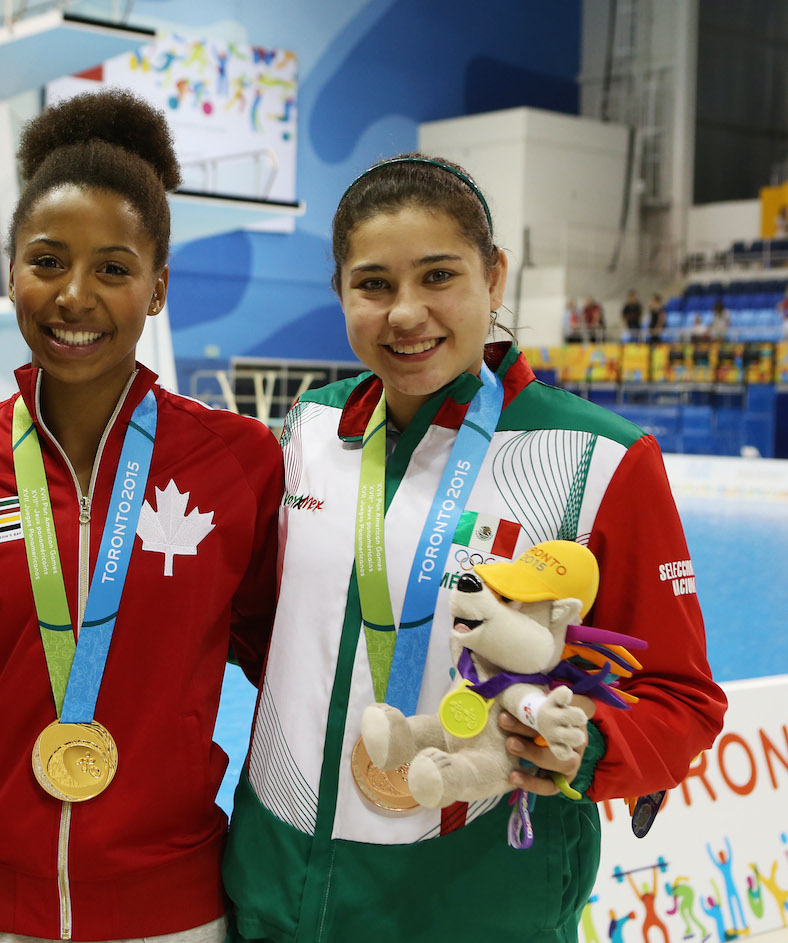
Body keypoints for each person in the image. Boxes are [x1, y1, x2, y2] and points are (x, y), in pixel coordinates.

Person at [221, 154, 725, 943]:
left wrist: (582, 744)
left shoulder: (599, 459)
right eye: (374, 284)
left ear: (494, 277)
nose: (405, 312)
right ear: (341, 292)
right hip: (278, 885)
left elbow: (682, 699)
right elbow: (271, 634)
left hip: (476, 903)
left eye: (438, 276)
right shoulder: (308, 431)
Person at [0, 89, 283, 943]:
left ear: (157, 288)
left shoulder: (237, 465)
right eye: (47, 261)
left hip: (168, 906)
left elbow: (299, 674)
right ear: (10, 272)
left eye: (113, 269)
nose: (75, 296)